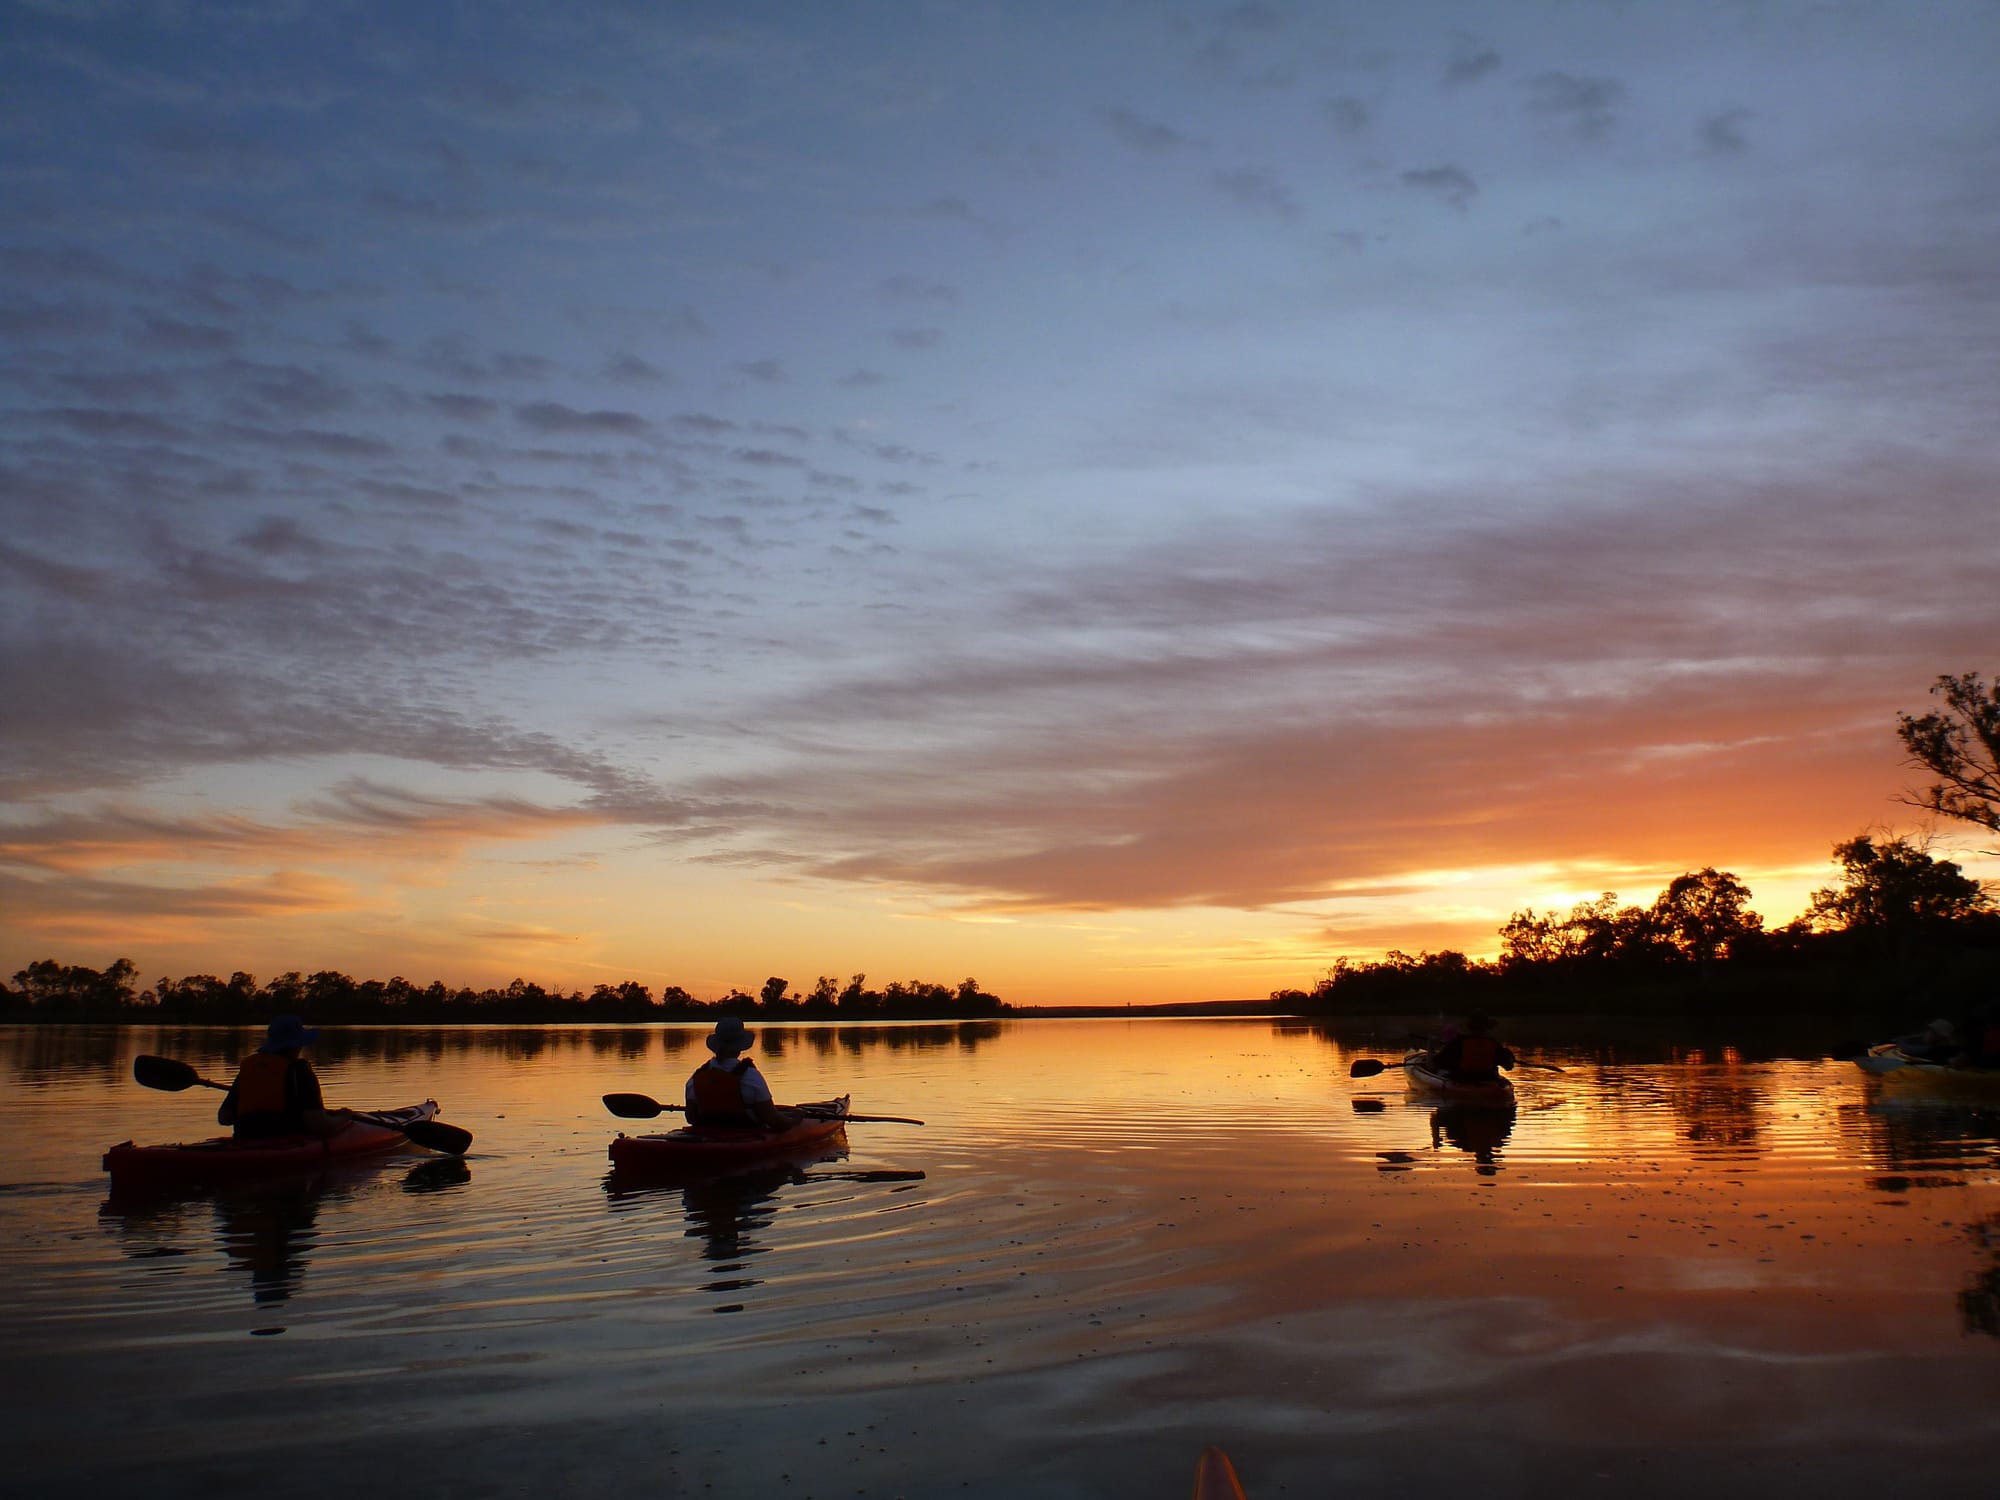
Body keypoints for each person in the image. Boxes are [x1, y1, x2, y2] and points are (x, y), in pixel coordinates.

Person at [217, 1016, 354, 1139]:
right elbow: (321, 1126)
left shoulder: (249, 1068)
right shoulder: (300, 1072)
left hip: (245, 1138)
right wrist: (343, 1118)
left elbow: (224, 1117)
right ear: (296, 1045)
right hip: (287, 1140)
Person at [685, 1016, 798, 1131]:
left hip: (707, 1135)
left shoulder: (696, 1078)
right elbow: (773, 1119)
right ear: (740, 1047)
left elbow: (691, 1118)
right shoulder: (751, 1077)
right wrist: (794, 1121)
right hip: (746, 1134)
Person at [1426, 1013, 1516, 1084]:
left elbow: (1434, 1064)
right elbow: (1509, 1066)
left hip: (1462, 1080)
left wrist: (1431, 1046)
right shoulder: (1494, 1044)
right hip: (1488, 1080)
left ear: (1468, 1027)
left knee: (1439, 1071)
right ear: (1486, 1027)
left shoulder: (1457, 1043)